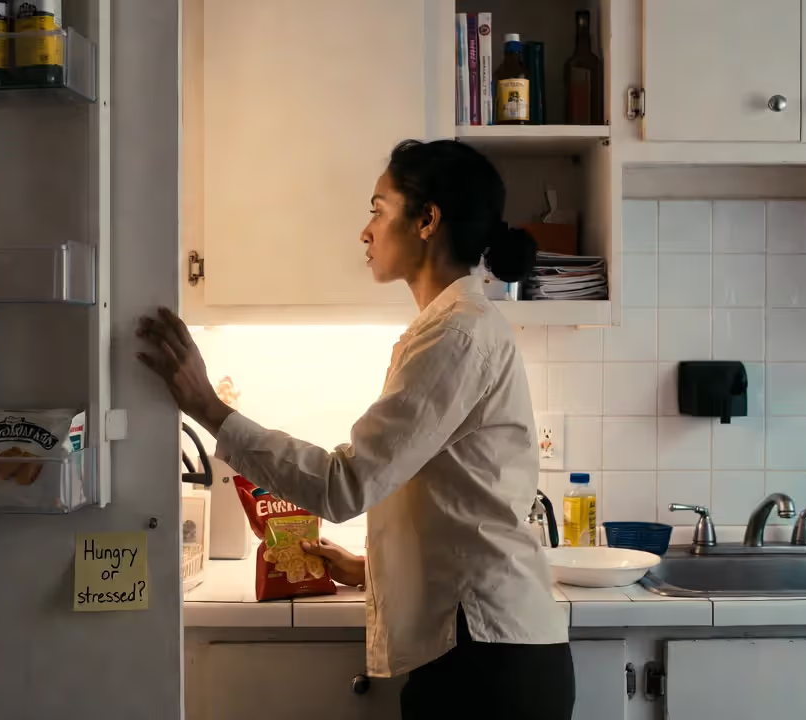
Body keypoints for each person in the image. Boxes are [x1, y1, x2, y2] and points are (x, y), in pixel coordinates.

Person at [138, 139, 574, 719]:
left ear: (427, 220)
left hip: (487, 662)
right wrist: (372, 570)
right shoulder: (449, 329)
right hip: (482, 649)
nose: (365, 232)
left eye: (377, 209)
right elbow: (455, 501)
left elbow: (346, 484)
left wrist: (210, 408)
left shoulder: (456, 336)